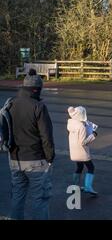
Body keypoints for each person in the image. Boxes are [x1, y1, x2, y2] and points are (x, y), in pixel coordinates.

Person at [8, 69, 54, 220]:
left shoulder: (10, 104)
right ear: (36, 89)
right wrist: (50, 158)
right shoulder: (38, 107)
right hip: (36, 160)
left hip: (15, 159)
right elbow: (46, 136)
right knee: (39, 198)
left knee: (17, 196)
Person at [67, 106, 98, 196]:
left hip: (74, 150)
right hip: (82, 152)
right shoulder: (81, 126)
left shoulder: (71, 123)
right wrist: (93, 135)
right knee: (91, 168)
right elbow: (83, 142)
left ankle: (75, 186)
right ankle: (88, 187)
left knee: (79, 167)